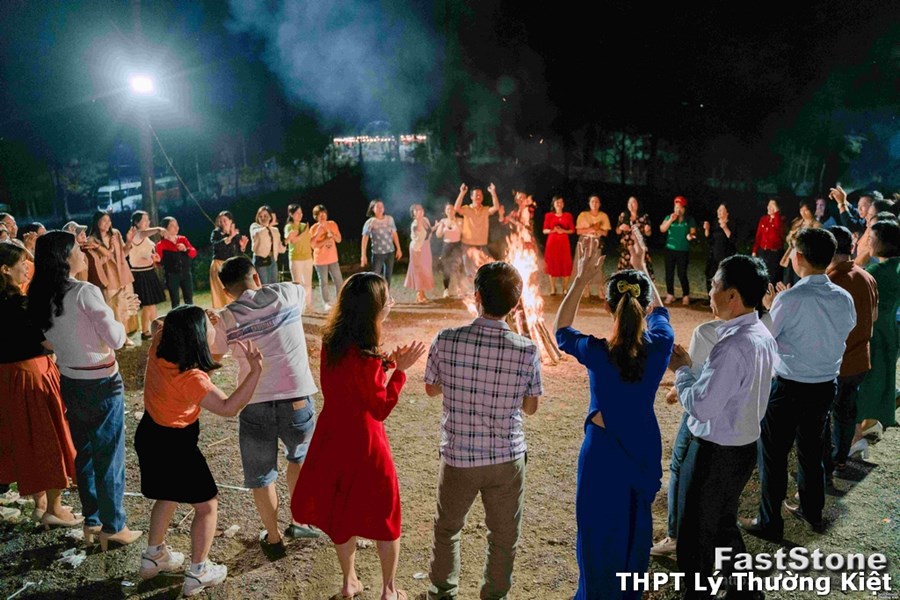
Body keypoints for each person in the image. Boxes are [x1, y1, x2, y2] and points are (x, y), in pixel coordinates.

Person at [291, 272, 425, 600]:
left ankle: (349, 581)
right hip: (365, 442)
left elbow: (351, 381)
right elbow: (379, 407)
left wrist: (385, 364)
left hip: (332, 437)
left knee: (342, 510)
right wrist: (400, 372)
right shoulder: (365, 357)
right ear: (372, 309)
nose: (390, 303)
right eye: (386, 299)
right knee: (386, 512)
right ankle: (389, 589)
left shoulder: (333, 342)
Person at [554, 233, 674, 600]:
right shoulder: (660, 344)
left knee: (597, 531)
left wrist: (579, 279)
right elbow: (660, 312)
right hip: (642, 444)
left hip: (602, 451)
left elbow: (561, 331)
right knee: (636, 530)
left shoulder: (597, 351)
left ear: (608, 307)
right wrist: (641, 267)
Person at [424, 261, 543, 600]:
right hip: (507, 458)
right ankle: (495, 594)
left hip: (458, 457)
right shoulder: (527, 350)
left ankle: (442, 591)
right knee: (503, 536)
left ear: (476, 296)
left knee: (448, 529)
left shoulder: (447, 339)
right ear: (515, 304)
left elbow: (431, 388)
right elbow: (531, 407)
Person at [668, 256, 777, 599]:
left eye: (715, 285)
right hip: (742, 447)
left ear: (732, 295)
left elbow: (702, 406)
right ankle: (745, 591)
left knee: (694, 535)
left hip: (714, 453)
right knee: (721, 524)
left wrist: (681, 371)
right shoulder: (760, 332)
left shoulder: (731, 345)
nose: (710, 290)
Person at [135, 305, 263, 596]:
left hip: (149, 434)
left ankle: (153, 556)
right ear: (196, 337)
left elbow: (158, 323)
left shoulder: (160, 342)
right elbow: (228, 407)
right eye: (208, 324)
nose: (213, 325)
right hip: (176, 445)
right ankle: (198, 572)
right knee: (206, 506)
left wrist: (196, 320)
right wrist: (255, 371)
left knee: (167, 494)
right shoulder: (191, 378)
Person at [27, 231, 143, 550]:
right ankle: (114, 526)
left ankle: (92, 519)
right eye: (78, 248)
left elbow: (48, 342)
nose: (83, 252)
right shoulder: (84, 291)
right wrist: (119, 311)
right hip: (101, 381)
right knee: (109, 455)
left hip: (71, 380)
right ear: (65, 258)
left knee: (87, 452)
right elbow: (116, 339)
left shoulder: (41, 295)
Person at [739, 228, 855, 540]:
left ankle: (769, 521)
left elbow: (765, 339)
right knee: (812, 449)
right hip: (824, 385)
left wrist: (770, 306)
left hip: (789, 386)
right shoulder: (843, 297)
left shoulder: (791, 298)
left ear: (798, 257)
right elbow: (844, 330)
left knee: (773, 455)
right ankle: (812, 509)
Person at [211, 256, 320, 559]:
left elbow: (215, 356)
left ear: (226, 290)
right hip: (296, 397)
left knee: (262, 475)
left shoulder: (225, 317)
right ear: (256, 276)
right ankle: (299, 522)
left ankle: (273, 538)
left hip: (254, 401)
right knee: (299, 458)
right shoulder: (287, 293)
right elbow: (301, 290)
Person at [0, 243, 78, 529]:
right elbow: (49, 341)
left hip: (7, 377)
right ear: (5, 269)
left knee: (25, 438)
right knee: (49, 438)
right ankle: (54, 509)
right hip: (33, 374)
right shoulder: (21, 305)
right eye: (22, 262)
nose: (27, 267)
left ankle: (41, 504)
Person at [821, 226, 877, 477]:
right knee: (846, 412)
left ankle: (827, 466)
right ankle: (841, 460)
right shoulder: (866, 276)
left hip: (837, 362)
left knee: (826, 417)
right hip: (860, 359)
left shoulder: (831, 282)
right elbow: (873, 317)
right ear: (851, 247)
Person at [853, 220, 900, 450]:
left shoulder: (875, 273)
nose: (868, 243)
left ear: (884, 243)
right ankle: (870, 423)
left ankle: (856, 436)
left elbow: (848, 285)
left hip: (872, 333)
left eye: (871, 239)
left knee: (866, 384)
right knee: (882, 380)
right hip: (889, 330)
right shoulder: (896, 267)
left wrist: (858, 262)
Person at [85, 211, 136, 343]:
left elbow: (123, 254)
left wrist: (129, 242)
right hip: (108, 277)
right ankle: (117, 337)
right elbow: (97, 263)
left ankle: (125, 335)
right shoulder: (91, 241)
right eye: (104, 221)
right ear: (96, 222)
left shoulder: (115, 234)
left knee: (125, 306)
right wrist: (106, 250)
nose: (107, 224)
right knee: (114, 308)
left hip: (122, 274)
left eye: (109, 220)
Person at [124, 211, 166, 340]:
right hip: (140, 273)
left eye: (148, 220)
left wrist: (153, 257)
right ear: (137, 223)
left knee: (152, 303)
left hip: (148, 271)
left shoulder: (144, 237)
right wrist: (158, 229)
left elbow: (145, 252)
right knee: (148, 304)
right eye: (145, 220)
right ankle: (145, 331)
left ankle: (157, 327)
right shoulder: (136, 234)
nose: (148, 222)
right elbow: (143, 233)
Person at [453, 183, 501, 280]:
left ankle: (480, 286)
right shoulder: (467, 209)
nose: (478, 196)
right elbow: (456, 208)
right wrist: (462, 193)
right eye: (476, 195)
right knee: (468, 271)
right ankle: (468, 287)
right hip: (467, 244)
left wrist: (493, 192)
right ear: (471, 197)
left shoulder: (485, 210)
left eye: (480, 195)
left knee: (483, 268)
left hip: (481, 244)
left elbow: (496, 207)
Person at [659, 195, 697, 306]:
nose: (678, 210)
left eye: (680, 207)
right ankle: (670, 294)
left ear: (684, 208)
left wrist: (691, 236)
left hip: (683, 250)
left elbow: (693, 232)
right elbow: (662, 229)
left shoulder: (689, 220)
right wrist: (671, 220)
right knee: (669, 273)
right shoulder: (669, 217)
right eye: (676, 207)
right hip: (669, 249)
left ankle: (686, 295)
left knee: (682, 274)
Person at [574, 194, 611, 299]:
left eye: (597, 202)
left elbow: (605, 233)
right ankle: (586, 288)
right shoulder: (583, 215)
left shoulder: (603, 216)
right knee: (584, 265)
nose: (594, 204)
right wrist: (591, 229)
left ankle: (600, 289)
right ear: (589, 203)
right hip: (585, 241)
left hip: (596, 242)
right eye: (592, 202)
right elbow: (578, 231)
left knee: (597, 264)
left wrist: (597, 230)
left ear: (599, 204)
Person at [156, 217, 197, 309]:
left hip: (185, 273)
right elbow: (159, 263)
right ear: (165, 228)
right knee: (175, 301)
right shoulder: (161, 245)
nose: (176, 228)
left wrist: (185, 249)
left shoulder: (182, 239)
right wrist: (157, 260)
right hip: (172, 275)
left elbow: (193, 253)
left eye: (177, 225)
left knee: (189, 299)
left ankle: (191, 316)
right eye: (172, 226)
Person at [209, 211, 248, 309]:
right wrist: (230, 237)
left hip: (231, 266)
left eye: (225, 220)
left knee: (233, 290)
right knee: (222, 292)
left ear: (231, 221)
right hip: (219, 265)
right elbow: (216, 246)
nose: (222, 223)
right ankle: (222, 313)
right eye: (220, 221)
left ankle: (236, 311)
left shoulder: (236, 234)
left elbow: (238, 253)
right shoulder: (216, 233)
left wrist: (242, 247)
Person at [361, 199, 402, 287]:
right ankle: (375, 294)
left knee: (388, 277)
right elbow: (365, 239)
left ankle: (386, 294)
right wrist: (363, 255)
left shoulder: (389, 219)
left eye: (382, 206)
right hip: (377, 254)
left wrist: (399, 249)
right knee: (375, 277)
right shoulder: (370, 222)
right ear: (373, 209)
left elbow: (394, 234)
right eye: (378, 207)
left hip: (390, 252)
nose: (380, 208)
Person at [310, 204, 343, 311]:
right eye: (319, 215)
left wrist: (332, 235)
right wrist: (319, 235)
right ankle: (327, 302)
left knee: (338, 280)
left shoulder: (332, 224)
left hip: (333, 258)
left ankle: (340, 301)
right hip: (320, 260)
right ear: (316, 217)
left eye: (323, 214)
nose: (322, 216)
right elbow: (313, 245)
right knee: (324, 282)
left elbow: (339, 240)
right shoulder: (314, 228)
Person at [780, 199, 820, 284]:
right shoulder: (797, 222)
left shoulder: (816, 225)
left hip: (803, 258)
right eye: (801, 210)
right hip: (791, 256)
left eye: (806, 210)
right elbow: (788, 238)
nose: (803, 213)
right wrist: (791, 237)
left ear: (812, 210)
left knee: (797, 281)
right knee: (787, 280)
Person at [543, 195, 576, 295]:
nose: (559, 204)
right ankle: (553, 288)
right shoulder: (549, 215)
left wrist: (563, 231)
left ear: (563, 204)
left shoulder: (567, 215)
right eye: (557, 202)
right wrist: (553, 230)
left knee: (566, 264)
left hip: (564, 243)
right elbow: (544, 230)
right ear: (553, 204)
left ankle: (565, 288)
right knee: (552, 264)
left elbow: (572, 230)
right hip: (552, 243)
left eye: (561, 202)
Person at [284, 204, 313, 312]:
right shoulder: (289, 227)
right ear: (291, 214)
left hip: (308, 257)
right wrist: (303, 233)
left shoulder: (304, 225)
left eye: (301, 213)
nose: (300, 215)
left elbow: (309, 240)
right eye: (297, 213)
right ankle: (299, 307)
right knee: (298, 284)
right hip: (296, 258)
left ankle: (308, 305)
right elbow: (292, 240)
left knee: (308, 284)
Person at [616, 196, 654, 278]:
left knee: (641, 272)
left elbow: (648, 234)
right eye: (629, 203)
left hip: (640, 249)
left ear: (638, 204)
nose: (631, 205)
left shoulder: (644, 216)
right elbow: (617, 231)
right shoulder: (623, 215)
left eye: (633, 202)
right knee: (626, 275)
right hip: (626, 249)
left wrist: (647, 230)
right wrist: (621, 228)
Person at [703, 202, 737, 292]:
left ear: (727, 213)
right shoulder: (715, 223)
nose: (718, 211)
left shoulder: (732, 223)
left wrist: (725, 228)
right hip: (714, 256)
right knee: (710, 276)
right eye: (718, 209)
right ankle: (711, 297)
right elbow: (710, 240)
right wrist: (707, 230)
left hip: (726, 257)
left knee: (724, 280)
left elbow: (733, 240)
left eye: (721, 210)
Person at [752, 197, 786, 284]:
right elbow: (758, 236)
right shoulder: (763, 219)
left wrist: (776, 214)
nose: (769, 207)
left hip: (774, 254)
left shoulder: (781, 220)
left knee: (773, 278)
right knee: (761, 276)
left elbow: (779, 229)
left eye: (772, 205)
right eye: (769, 205)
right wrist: (754, 251)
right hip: (763, 251)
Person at [405, 204, 434, 303]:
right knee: (419, 271)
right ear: (413, 213)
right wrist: (419, 220)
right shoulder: (415, 224)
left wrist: (437, 226)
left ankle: (423, 293)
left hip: (426, 247)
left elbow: (429, 232)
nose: (420, 211)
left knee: (426, 270)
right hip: (417, 249)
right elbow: (419, 232)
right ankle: (419, 294)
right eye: (416, 210)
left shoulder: (425, 220)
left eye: (421, 209)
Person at [434, 203, 463, 298]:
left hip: (457, 246)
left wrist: (457, 224)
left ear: (454, 210)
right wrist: (441, 226)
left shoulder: (460, 220)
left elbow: (463, 232)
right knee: (446, 269)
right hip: (447, 246)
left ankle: (459, 289)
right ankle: (446, 290)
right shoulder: (443, 221)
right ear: (445, 211)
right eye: (448, 209)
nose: (450, 211)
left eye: (451, 209)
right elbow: (438, 235)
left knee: (458, 268)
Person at [249, 206, 285, 285]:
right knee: (263, 285)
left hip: (272, 259)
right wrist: (268, 225)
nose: (263, 218)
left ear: (270, 217)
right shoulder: (255, 227)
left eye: (265, 216)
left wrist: (287, 241)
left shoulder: (274, 230)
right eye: (260, 216)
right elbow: (258, 233)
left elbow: (280, 248)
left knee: (274, 284)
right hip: (260, 260)